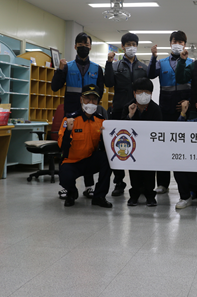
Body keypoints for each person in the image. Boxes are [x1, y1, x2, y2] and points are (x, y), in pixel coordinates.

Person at [51, 32, 105, 201]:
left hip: (90, 114)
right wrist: (60, 70)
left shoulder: (97, 69)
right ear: (75, 46)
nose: (83, 47)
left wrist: (92, 106)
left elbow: (101, 91)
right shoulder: (67, 67)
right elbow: (55, 87)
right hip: (71, 115)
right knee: (68, 149)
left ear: (90, 47)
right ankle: (67, 187)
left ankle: (89, 187)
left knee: (90, 147)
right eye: (80, 45)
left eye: (86, 44)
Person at [148, 30, 193, 194]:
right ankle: (162, 183)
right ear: (170, 43)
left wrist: (189, 102)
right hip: (165, 109)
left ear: (185, 45)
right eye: (175, 41)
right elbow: (150, 74)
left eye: (181, 42)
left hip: (185, 109)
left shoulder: (191, 62)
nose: (178, 44)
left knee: (185, 146)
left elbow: (195, 86)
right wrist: (153, 57)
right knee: (164, 146)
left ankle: (188, 184)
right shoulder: (161, 62)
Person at [105, 32, 148, 197]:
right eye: (128, 44)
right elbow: (109, 82)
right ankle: (119, 182)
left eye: (134, 44)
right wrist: (109, 63)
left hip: (139, 110)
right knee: (118, 145)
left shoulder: (143, 67)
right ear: (123, 46)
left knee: (140, 146)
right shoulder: (115, 66)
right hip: (119, 110)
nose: (131, 47)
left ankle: (141, 184)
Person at [57, 84, 112, 208]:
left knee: (107, 159)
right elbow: (62, 146)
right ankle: (72, 193)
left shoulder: (101, 121)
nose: (91, 102)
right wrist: (68, 131)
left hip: (90, 160)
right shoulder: (70, 119)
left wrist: (104, 135)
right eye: (87, 99)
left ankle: (99, 196)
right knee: (65, 176)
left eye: (94, 99)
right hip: (72, 162)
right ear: (81, 99)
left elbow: (106, 146)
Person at [122, 77, 162, 207]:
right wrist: (130, 115)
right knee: (134, 173)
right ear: (134, 93)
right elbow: (122, 129)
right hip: (133, 148)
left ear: (151, 93)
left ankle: (150, 195)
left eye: (147, 92)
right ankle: (134, 195)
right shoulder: (128, 107)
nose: (143, 95)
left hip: (149, 148)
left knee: (149, 173)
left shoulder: (155, 109)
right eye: (140, 92)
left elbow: (159, 129)